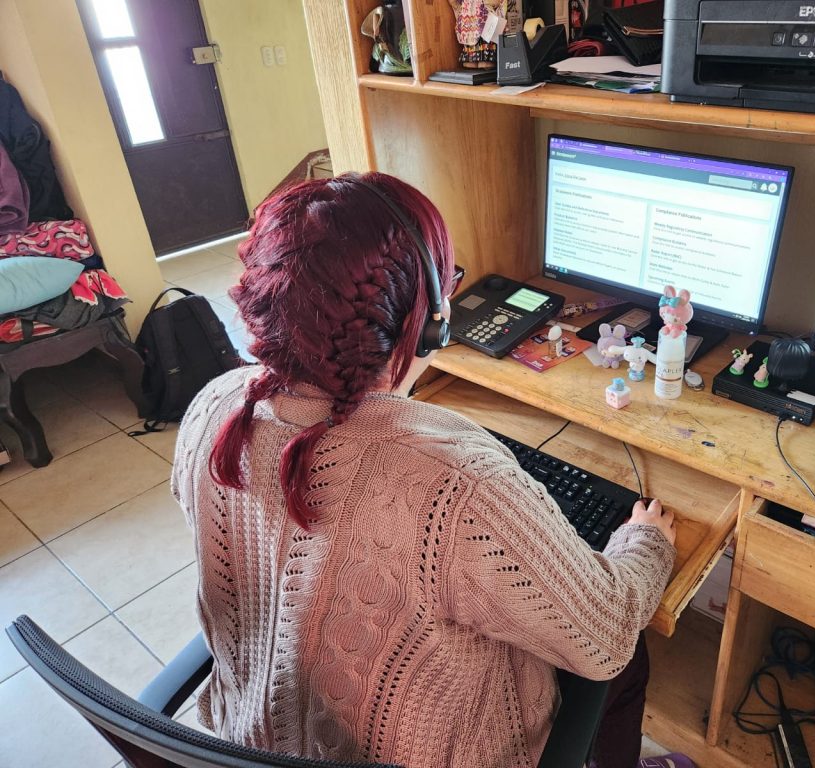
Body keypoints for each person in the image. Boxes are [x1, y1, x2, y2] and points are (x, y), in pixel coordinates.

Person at [172, 172, 677, 768]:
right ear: (432, 320)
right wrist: (645, 543)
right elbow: (605, 635)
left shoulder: (214, 406)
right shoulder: (454, 480)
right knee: (631, 654)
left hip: (246, 739)